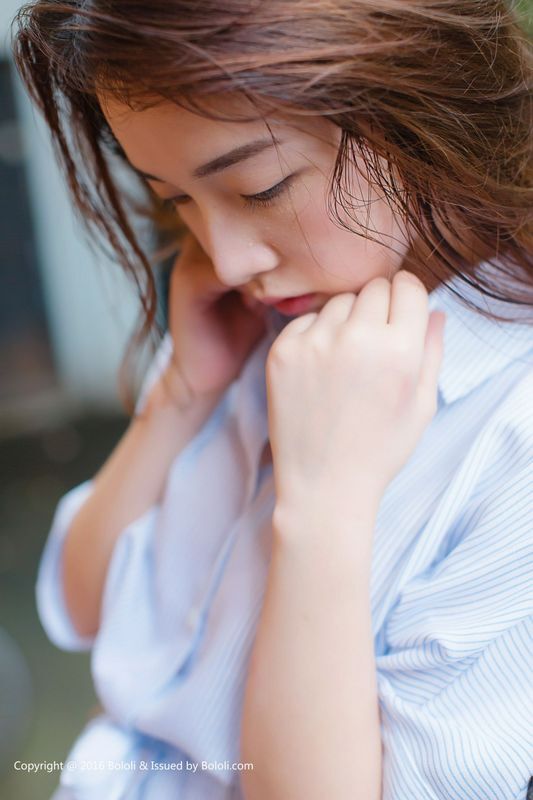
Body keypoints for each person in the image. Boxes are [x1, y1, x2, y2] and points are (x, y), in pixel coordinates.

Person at [12, 1, 532, 798]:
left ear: (421, 106)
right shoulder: (260, 308)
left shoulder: (509, 432)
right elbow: (80, 608)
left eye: (260, 188)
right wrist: (182, 395)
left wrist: (323, 510)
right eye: (175, 195)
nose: (223, 256)